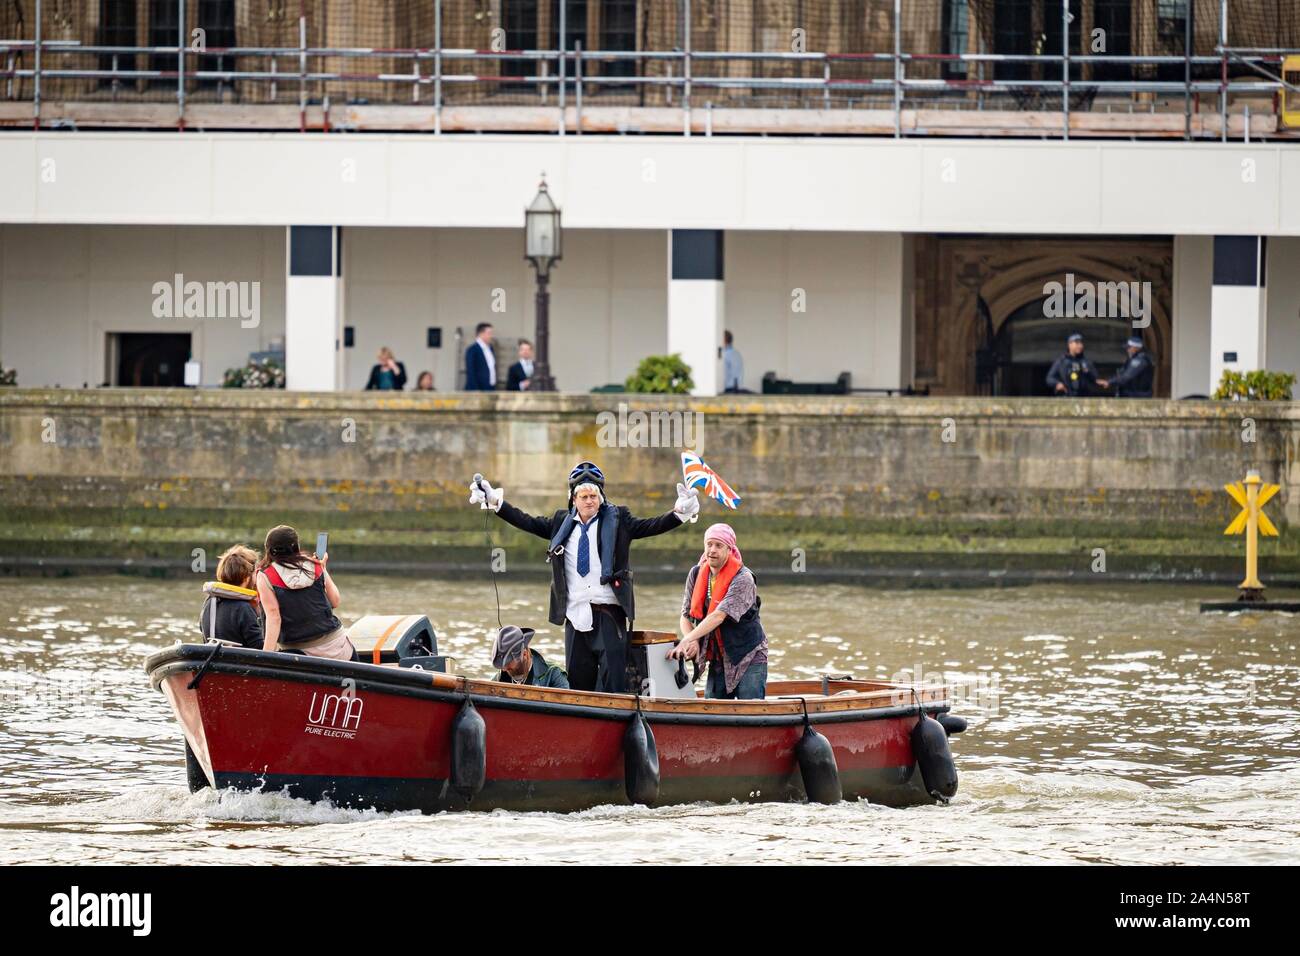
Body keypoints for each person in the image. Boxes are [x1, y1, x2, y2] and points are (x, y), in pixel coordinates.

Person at [469, 461, 700, 693]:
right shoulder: (561, 522)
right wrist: (496, 502)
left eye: (594, 496)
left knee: (614, 686)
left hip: (608, 616)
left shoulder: (619, 519)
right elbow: (527, 521)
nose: (590, 500)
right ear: (573, 499)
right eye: (584, 496)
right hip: (575, 617)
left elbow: (652, 525)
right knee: (578, 686)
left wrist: (680, 512)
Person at [668, 523, 767, 700]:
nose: (712, 550)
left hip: (747, 655)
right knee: (712, 707)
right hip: (718, 656)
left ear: (730, 549)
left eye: (718, 545)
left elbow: (718, 616)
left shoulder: (743, 578)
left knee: (751, 713)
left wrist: (687, 639)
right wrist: (694, 641)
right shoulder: (696, 573)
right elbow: (685, 615)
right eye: (709, 544)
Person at [255, 525, 356, 661]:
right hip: (340, 649)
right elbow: (335, 601)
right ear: (296, 545)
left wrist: (265, 658)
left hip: (299, 656)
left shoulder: (265, 576)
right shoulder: (315, 565)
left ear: (269, 549)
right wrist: (322, 568)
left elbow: (274, 617)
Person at [198, 544, 263, 649]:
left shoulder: (210, 601)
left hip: (214, 660)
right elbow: (260, 646)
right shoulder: (243, 608)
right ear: (247, 578)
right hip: (240, 663)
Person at [491, 625, 569, 688]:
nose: (504, 669)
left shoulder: (553, 674)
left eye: (508, 662)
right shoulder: (499, 677)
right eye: (503, 664)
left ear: (524, 654)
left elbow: (566, 704)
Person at [1046, 333, 1107, 397]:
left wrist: (1098, 381)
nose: (1080, 346)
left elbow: (1094, 378)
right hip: (1066, 397)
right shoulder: (1061, 362)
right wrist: (1057, 384)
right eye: (1077, 343)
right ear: (1070, 344)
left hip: (1083, 397)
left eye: (1081, 343)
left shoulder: (1086, 362)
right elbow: (1049, 378)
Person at [464, 322, 496, 391]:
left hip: (490, 388)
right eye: (489, 333)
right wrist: (475, 391)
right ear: (481, 334)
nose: (491, 336)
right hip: (478, 389)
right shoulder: (472, 350)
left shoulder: (491, 349)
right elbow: (471, 372)